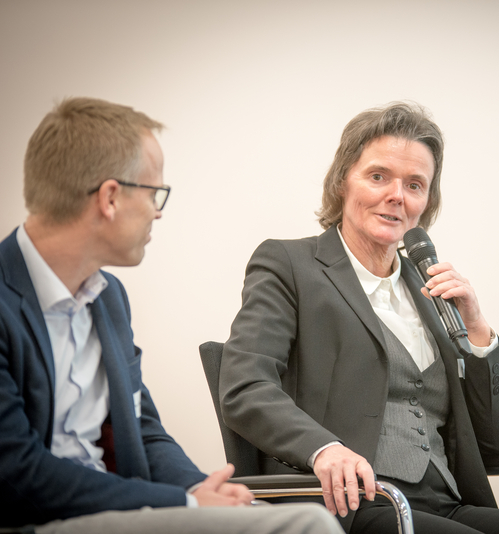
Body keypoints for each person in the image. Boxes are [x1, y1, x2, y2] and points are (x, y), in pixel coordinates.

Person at [219, 102, 499, 534]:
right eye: (378, 176)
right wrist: (322, 449)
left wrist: (478, 332)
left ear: (426, 202)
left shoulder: (430, 290)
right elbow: (245, 386)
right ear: (342, 181)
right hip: (351, 505)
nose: (397, 195)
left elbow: (495, 439)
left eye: (414, 184)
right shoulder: (289, 265)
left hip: (446, 502)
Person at [0, 97, 343, 534]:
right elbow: (16, 472)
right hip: (38, 521)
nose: (158, 211)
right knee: (309, 525)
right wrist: (186, 503)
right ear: (110, 197)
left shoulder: (108, 298)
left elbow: (142, 429)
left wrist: (200, 488)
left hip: (124, 510)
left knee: (276, 516)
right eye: (154, 193)